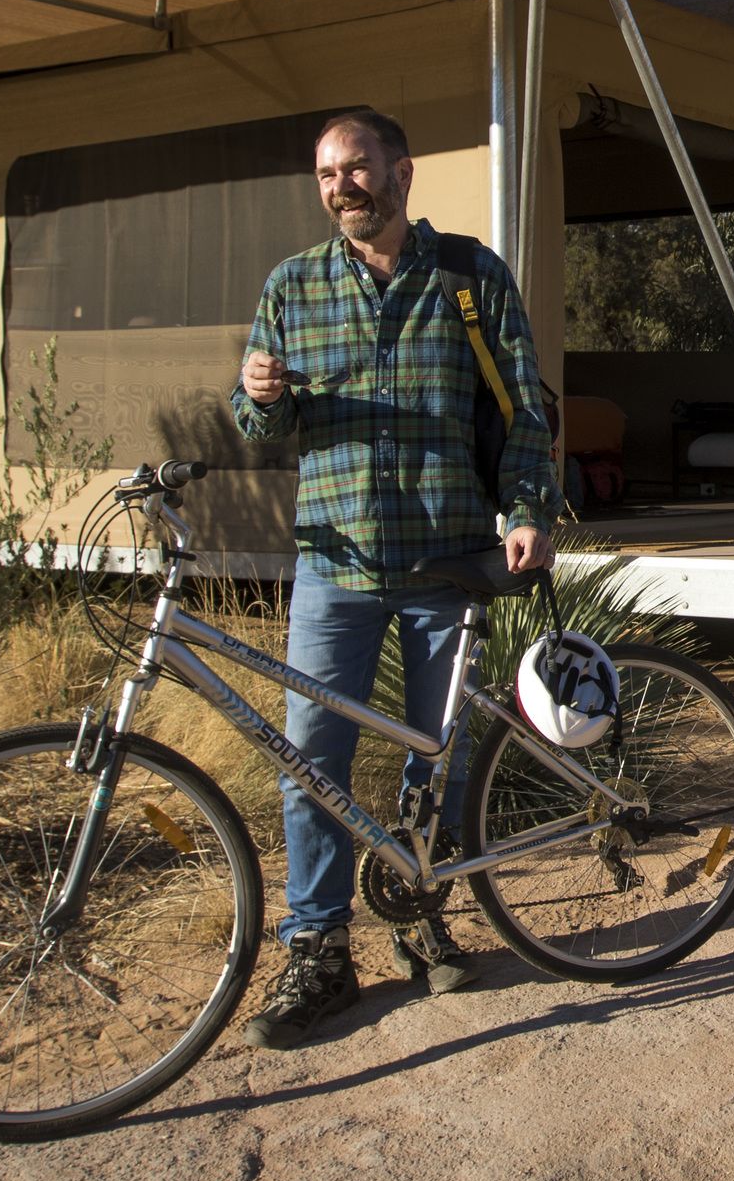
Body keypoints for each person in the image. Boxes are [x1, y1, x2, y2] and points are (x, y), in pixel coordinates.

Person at [228, 106, 555, 1049]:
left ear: (401, 172)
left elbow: (522, 408)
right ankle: (318, 954)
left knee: (434, 758)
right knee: (309, 764)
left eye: (358, 168)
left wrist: (526, 508)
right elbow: (261, 428)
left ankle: (421, 917)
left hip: (443, 557)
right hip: (332, 564)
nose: (342, 187)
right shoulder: (292, 286)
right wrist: (255, 400)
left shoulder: (469, 276)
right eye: (328, 174)